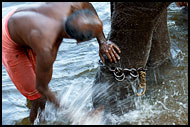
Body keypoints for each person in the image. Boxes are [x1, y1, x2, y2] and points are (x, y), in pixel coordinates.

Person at [2, 2, 121, 123]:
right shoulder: (46, 47)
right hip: (10, 39)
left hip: (24, 20)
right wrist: (76, 115)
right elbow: (42, 87)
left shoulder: (72, 5)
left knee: (42, 87)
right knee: (38, 98)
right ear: (78, 41)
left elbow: (88, 5)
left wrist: (103, 42)